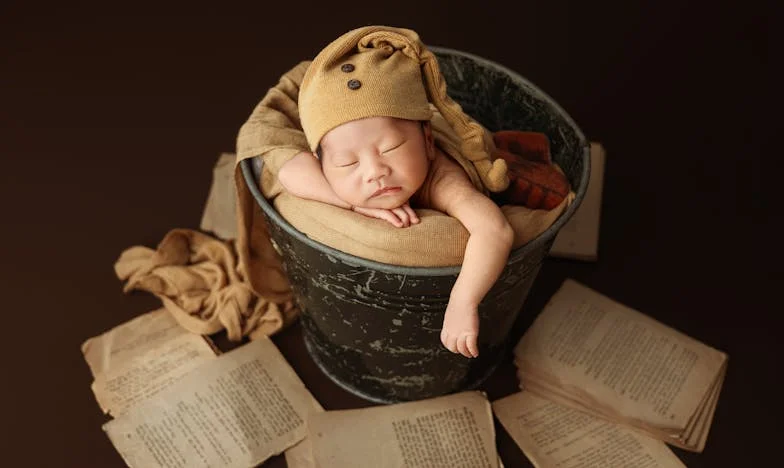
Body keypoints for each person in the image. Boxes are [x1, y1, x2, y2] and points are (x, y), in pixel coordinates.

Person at [274, 26, 513, 358]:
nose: (374, 172)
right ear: (323, 164)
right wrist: (352, 205)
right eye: (347, 163)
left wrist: (463, 300)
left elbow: (494, 228)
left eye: (391, 148)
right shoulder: (319, 169)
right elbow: (283, 168)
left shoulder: (442, 178)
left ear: (427, 142)